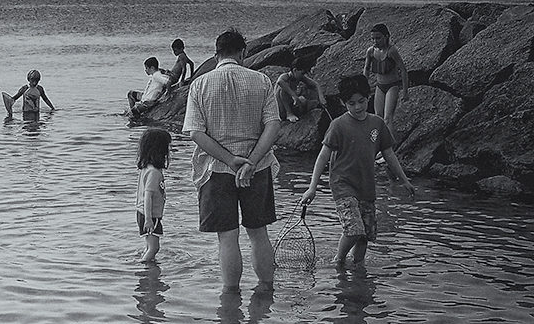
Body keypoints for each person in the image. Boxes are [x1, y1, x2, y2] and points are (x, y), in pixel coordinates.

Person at [182, 28, 282, 294]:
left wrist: (231, 160)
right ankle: (266, 292)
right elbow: (273, 126)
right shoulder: (261, 80)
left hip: (216, 170)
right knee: (258, 232)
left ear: (216, 55)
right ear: (243, 52)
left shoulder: (200, 84)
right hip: (257, 168)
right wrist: (250, 161)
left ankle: (230, 300)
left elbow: (196, 133)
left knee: (227, 237)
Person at [302, 75, 414, 267]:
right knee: (354, 229)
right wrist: (312, 187)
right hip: (342, 185)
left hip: (366, 187)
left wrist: (404, 180)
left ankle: (357, 275)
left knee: (365, 236)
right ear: (344, 103)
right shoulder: (338, 125)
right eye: (351, 103)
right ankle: (338, 261)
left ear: (368, 97)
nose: (357, 107)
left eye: (361, 101)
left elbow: (388, 153)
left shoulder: (377, 124)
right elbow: (323, 156)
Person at [362, 23, 407, 133]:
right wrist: (362, 87)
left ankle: (390, 147)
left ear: (386, 36)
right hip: (380, 86)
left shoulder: (391, 51)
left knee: (387, 119)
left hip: (392, 86)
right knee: (378, 117)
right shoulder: (371, 51)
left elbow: (403, 70)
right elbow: (366, 69)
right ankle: (380, 145)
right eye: (373, 39)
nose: (375, 41)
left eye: (378, 38)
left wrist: (405, 91)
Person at [136, 127, 172, 263]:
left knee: (149, 246)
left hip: (143, 213)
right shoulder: (153, 172)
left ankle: (147, 266)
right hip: (149, 214)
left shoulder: (146, 168)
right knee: (154, 248)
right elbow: (148, 196)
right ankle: (144, 268)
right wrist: (149, 219)